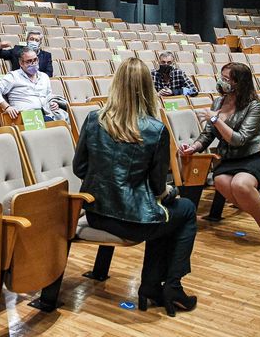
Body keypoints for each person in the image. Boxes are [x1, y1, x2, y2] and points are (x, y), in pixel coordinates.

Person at [74, 58, 197, 317]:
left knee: (165, 217)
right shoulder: (155, 129)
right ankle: (170, 286)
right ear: (147, 87)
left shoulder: (94, 118)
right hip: (133, 220)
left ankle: (153, 287)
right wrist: (169, 192)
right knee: (184, 210)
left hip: (96, 212)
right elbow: (155, 186)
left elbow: (79, 168)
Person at [180, 62, 260, 250]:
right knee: (221, 182)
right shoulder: (218, 103)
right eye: (221, 77)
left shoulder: (254, 106)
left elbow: (239, 139)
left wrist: (216, 119)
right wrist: (193, 147)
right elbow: (207, 135)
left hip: (254, 156)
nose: (221, 82)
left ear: (240, 82)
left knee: (241, 185)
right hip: (229, 159)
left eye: (226, 79)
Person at [0, 49, 68, 123]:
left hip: (46, 112)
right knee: (54, 124)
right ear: (21, 63)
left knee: (68, 118)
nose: (33, 63)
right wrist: (7, 107)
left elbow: (48, 95)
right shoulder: (13, 76)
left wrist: (53, 102)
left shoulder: (44, 76)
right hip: (25, 116)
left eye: (35, 60)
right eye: (29, 61)